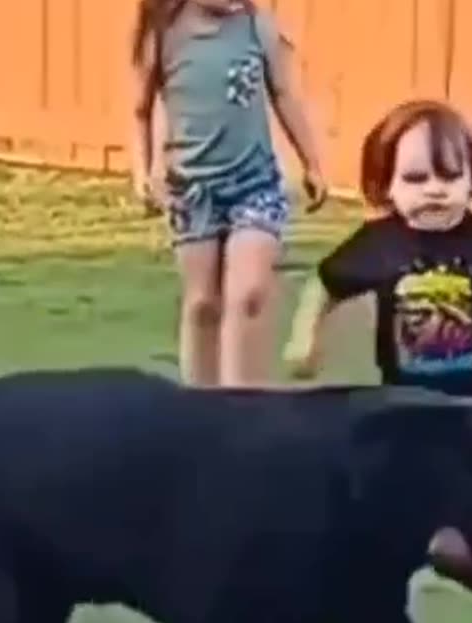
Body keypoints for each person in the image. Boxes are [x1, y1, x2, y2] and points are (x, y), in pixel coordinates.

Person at [282, 99, 472, 402]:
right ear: (387, 184)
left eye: (450, 176)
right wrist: (304, 339)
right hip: (405, 403)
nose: (434, 189)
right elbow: (325, 285)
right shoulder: (379, 243)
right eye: (415, 178)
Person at [129, 0, 327, 387]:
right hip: (193, 192)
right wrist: (143, 172)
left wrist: (312, 163)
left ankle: (242, 405)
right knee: (202, 303)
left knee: (248, 293)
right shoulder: (164, 33)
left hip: (255, 185)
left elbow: (284, 94)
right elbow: (141, 109)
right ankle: (200, 410)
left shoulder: (255, 26)